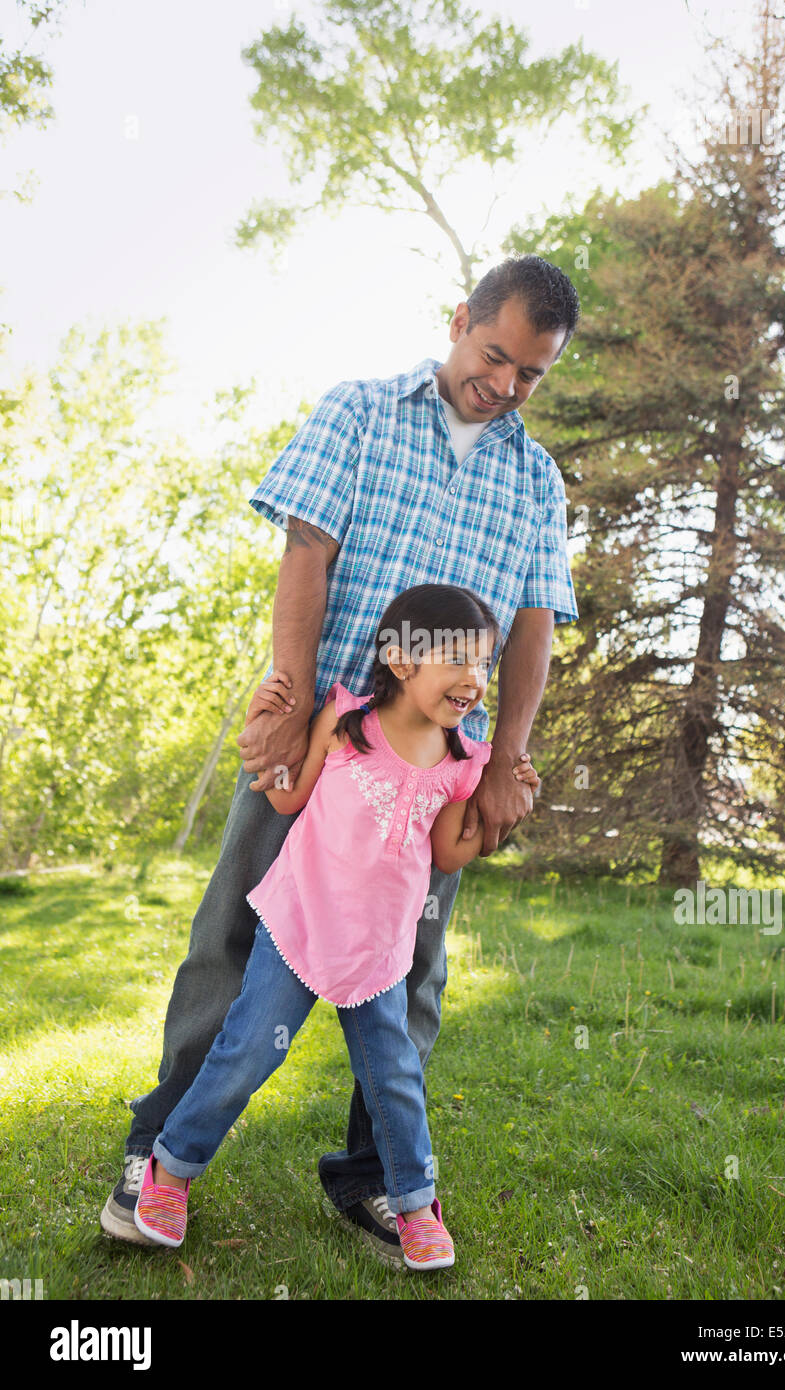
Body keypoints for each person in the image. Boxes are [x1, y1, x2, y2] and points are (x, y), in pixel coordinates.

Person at [101, 253, 580, 1266]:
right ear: (459, 320)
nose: (504, 385)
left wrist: (507, 759)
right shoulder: (359, 412)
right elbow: (306, 555)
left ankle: (375, 1180)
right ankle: (158, 1152)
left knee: (406, 982)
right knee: (232, 948)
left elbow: (533, 625)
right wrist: (285, 700)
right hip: (325, 741)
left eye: (529, 374)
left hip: (432, 772)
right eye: (494, 356)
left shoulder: (535, 477)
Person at [132, 585, 541, 1270]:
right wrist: (265, 747)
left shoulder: (463, 763)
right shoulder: (347, 721)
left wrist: (507, 822)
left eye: (485, 664)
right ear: (401, 660)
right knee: (246, 1054)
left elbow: (446, 856)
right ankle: (169, 1171)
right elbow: (290, 798)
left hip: (380, 951)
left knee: (394, 1078)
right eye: (457, 660)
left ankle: (415, 1205)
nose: (474, 679)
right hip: (299, 926)